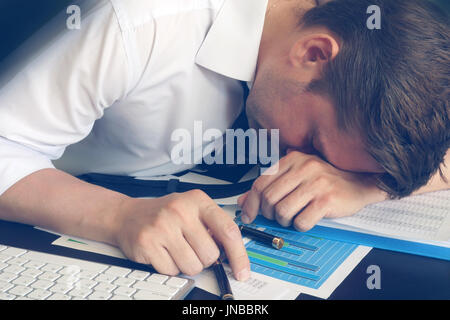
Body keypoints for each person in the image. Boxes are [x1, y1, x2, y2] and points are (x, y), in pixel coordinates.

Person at [0, 0, 448, 280]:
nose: (304, 163)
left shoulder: (371, 54)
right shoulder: (141, 21)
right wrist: (117, 215)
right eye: (312, 142)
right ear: (313, 53)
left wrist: (365, 184)